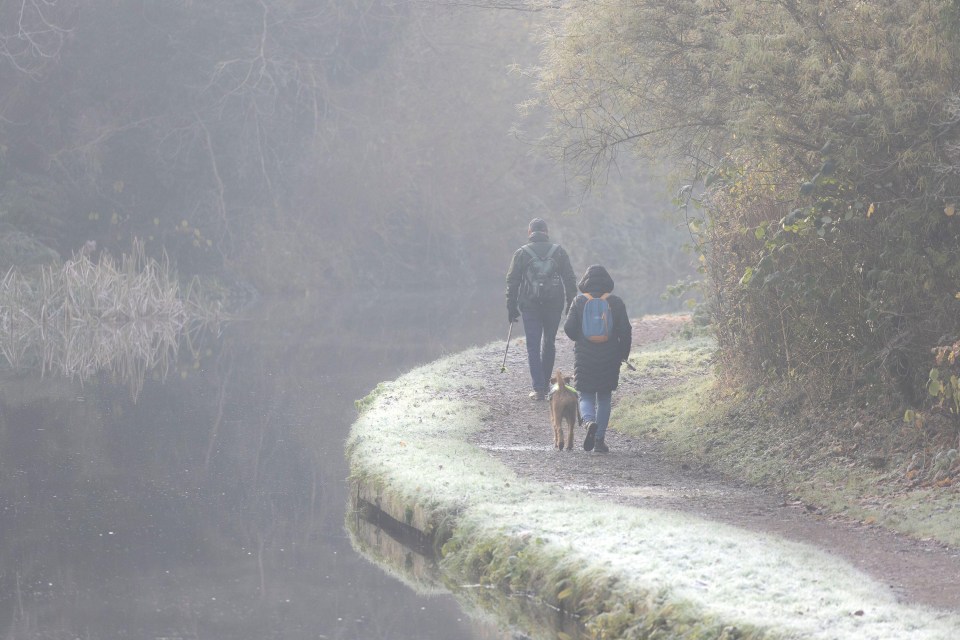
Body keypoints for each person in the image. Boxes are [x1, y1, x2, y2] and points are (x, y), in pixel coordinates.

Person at [505, 218, 578, 400]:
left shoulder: (521, 253)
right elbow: (570, 279)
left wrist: (511, 306)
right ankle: (546, 386)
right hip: (554, 304)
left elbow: (512, 282)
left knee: (532, 345)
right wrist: (571, 303)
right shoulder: (558, 252)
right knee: (549, 342)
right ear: (547, 231)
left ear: (530, 233)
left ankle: (539, 389)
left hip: (530, 305)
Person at [563, 264, 632, 453]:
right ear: (608, 282)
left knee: (585, 394)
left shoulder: (578, 301)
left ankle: (588, 422)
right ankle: (599, 440)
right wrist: (623, 355)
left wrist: (581, 338)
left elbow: (568, 329)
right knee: (604, 397)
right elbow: (626, 331)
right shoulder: (616, 302)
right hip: (610, 356)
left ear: (585, 282)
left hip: (584, 356)